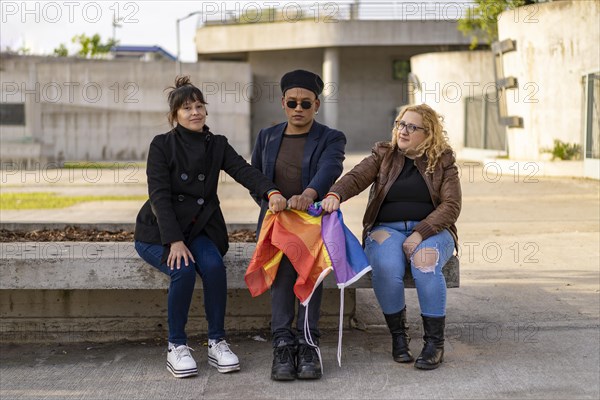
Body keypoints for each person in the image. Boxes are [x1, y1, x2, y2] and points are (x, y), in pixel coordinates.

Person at [134, 76, 287, 379]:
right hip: (160, 232)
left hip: (201, 230)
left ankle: (217, 342)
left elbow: (244, 170)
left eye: (199, 106)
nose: (195, 112)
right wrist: (174, 241)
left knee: (214, 266)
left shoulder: (216, 144)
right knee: (183, 270)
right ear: (174, 115)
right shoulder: (162, 145)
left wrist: (271, 191)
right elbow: (159, 196)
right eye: (187, 107)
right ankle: (176, 346)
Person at [322, 103, 461, 370]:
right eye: (400, 124)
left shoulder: (443, 160)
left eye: (412, 126)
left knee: (424, 263)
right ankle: (399, 337)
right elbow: (355, 177)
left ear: (428, 133)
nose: (403, 131)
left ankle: (434, 343)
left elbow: (451, 206)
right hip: (387, 229)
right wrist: (334, 194)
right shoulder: (384, 154)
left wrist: (421, 232)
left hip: (433, 231)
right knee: (386, 267)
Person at [251, 69, 346, 380]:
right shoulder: (266, 136)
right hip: (276, 223)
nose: (299, 109)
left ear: (316, 105)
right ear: (283, 103)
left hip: (312, 225)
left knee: (309, 273)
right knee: (281, 275)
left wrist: (309, 194)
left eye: (306, 103)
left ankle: (308, 344)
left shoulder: (331, 137)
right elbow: (256, 179)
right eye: (292, 102)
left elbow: (330, 167)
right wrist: (272, 198)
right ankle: (282, 344)